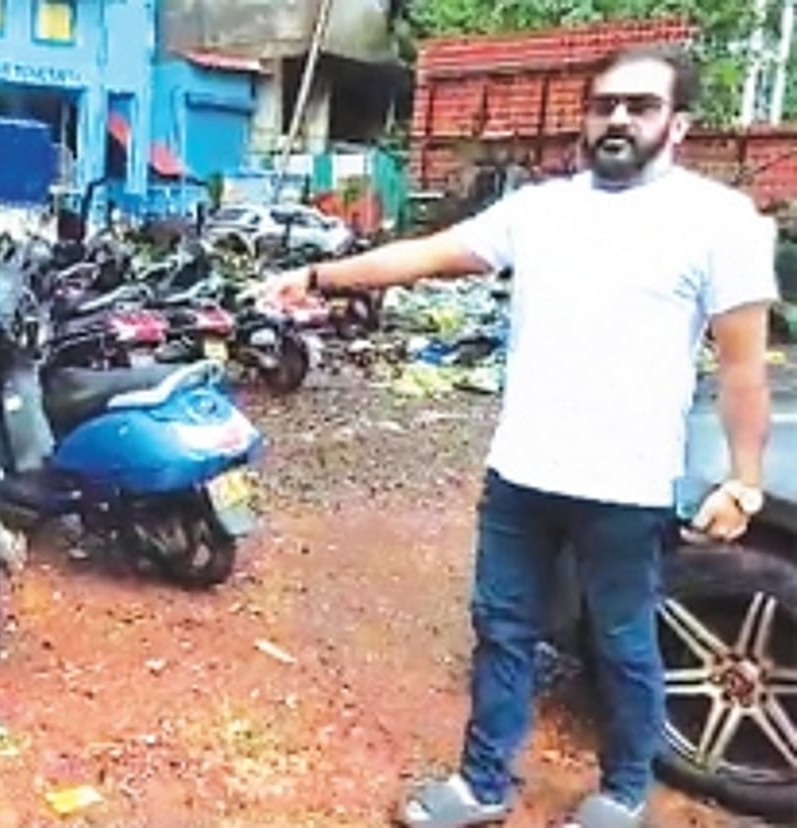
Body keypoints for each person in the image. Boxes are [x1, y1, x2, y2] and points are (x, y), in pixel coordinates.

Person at [266, 44, 777, 828]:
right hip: (522, 477)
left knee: (623, 645)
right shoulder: (540, 212)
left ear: (678, 124)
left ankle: (624, 792)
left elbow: (743, 367)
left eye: (640, 106)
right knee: (502, 632)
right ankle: (482, 784)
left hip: (627, 486)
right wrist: (317, 277)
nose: (617, 119)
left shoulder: (718, 221)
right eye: (603, 105)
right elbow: (427, 256)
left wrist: (744, 480)